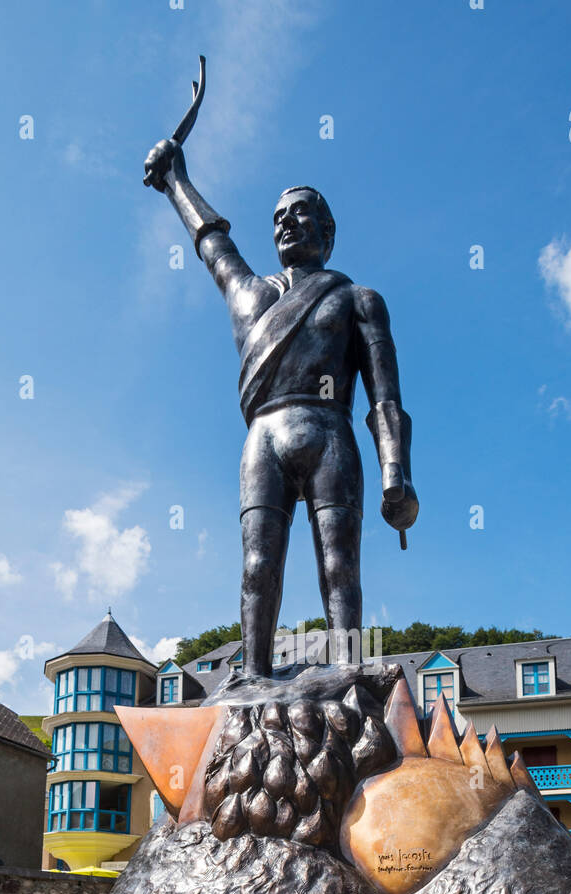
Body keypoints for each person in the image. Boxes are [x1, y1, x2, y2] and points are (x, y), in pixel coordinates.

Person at [144, 138, 419, 676]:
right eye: (278, 218)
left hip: (330, 433)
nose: (287, 224)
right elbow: (209, 240)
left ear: (328, 232)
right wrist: (175, 179)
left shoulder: (358, 300)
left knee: (340, 566)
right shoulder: (249, 292)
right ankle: (255, 673)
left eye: (300, 214)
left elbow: (385, 396)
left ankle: (348, 670)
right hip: (263, 437)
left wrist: (397, 471)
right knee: (256, 565)